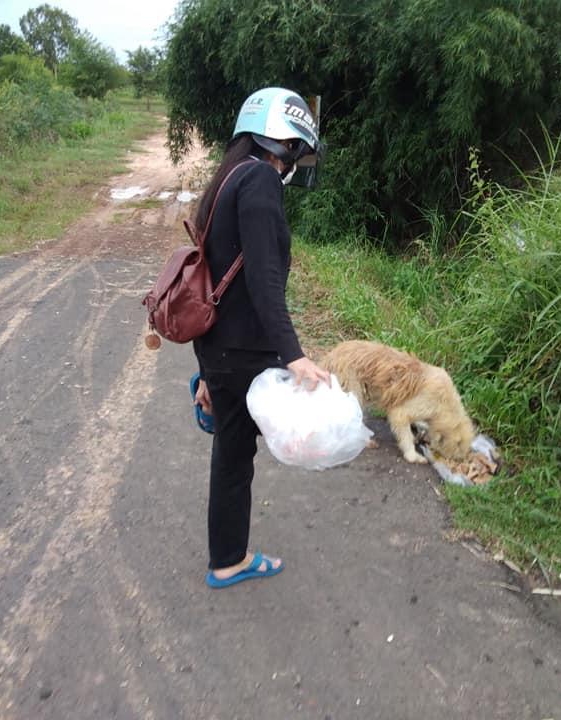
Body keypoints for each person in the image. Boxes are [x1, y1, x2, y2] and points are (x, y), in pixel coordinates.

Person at [191, 87, 331, 589]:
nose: (296, 162)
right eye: (298, 150)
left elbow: (209, 278)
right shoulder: (260, 183)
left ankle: (226, 556)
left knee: (230, 452)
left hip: (217, 347)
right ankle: (228, 560)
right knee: (235, 457)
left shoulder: (225, 179)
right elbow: (263, 279)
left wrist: (207, 371)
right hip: (240, 348)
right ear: (288, 144)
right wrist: (294, 355)